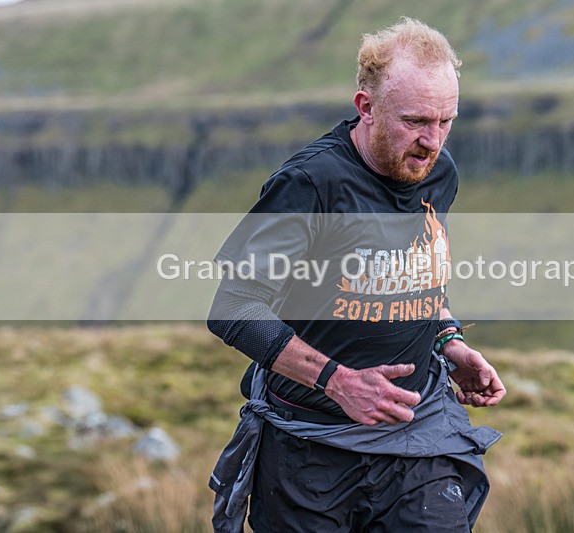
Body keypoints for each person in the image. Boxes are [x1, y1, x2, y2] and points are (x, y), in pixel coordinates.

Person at [207, 17, 506, 532]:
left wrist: (448, 339)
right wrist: (337, 381)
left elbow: (416, 271)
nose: (431, 142)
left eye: (445, 121)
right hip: (310, 450)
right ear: (366, 108)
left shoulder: (440, 173)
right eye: (415, 121)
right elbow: (233, 307)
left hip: (418, 438)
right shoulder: (310, 185)